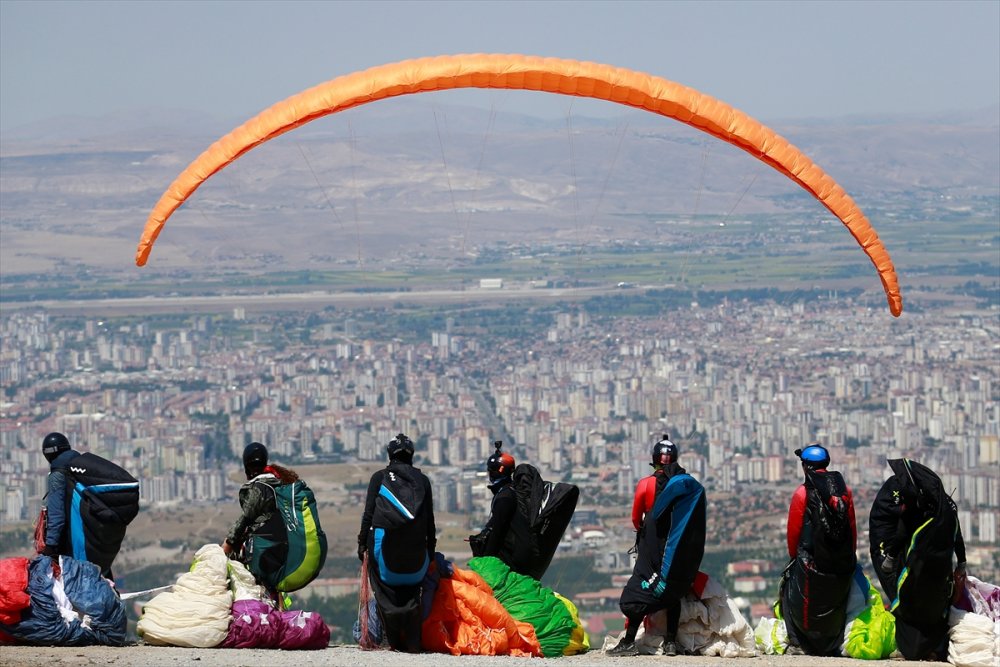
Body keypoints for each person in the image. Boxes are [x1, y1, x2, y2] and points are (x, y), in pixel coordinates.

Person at [608, 436, 706, 657]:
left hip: (651, 545)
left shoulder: (646, 484)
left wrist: (646, 532)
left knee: (641, 584)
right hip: (675, 544)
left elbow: (636, 518)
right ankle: (671, 642)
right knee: (672, 590)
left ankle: (629, 640)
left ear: (654, 460)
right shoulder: (681, 483)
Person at [869, 458, 967, 661]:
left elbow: (901, 535)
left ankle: (911, 646)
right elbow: (957, 536)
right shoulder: (944, 507)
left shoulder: (915, 509)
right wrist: (962, 565)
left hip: (918, 575)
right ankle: (929, 646)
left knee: (907, 602)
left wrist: (889, 558)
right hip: (935, 578)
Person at [357, 433, 436, 653]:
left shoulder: (379, 478)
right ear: (411, 455)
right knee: (412, 595)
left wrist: (362, 545)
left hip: (384, 565)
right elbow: (430, 522)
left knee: (385, 595)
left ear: (390, 454)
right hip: (417, 564)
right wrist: (430, 552)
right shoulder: (423, 482)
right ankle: (413, 641)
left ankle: (390, 639)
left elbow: (368, 516)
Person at [780, 444, 858, 656]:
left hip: (810, 563)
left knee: (786, 588)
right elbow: (852, 529)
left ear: (805, 467)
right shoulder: (844, 492)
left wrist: (795, 559)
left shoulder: (802, 493)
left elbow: (794, 534)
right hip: (842, 564)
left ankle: (796, 643)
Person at [222, 442, 300, 596]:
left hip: (264, 549)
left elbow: (246, 518)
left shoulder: (259, 486)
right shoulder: (279, 482)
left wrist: (227, 544)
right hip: (285, 546)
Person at [468, 441, 539, 576]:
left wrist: (486, 561)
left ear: (496, 472)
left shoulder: (504, 497)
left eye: (491, 471)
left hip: (513, 558)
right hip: (521, 554)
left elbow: (497, 532)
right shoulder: (510, 491)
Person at [40, 432, 79, 563]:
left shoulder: (58, 474)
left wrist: (50, 548)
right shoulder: (79, 467)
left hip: (72, 541)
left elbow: (57, 516)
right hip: (94, 534)